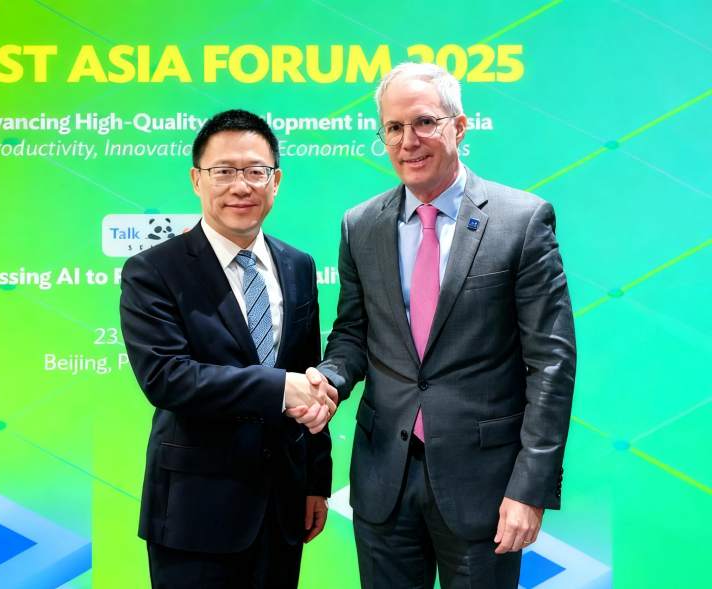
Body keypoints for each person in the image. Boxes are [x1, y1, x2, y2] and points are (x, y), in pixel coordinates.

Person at [310, 63, 577, 588]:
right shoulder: (360, 225)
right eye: (393, 127)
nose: (408, 141)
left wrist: (530, 487)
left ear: (459, 126)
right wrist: (331, 380)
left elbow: (551, 361)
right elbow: (352, 335)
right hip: (383, 480)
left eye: (424, 122)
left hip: (486, 488)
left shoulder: (521, 220)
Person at [120, 109, 336, 589]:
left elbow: (309, 374)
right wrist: (280, 388)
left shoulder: (298, 265)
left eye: (256, 171)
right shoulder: (154, 271)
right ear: (197, 180)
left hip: (282, 506)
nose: (241, 186)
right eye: (223, 172)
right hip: (195, 511)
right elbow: (167, 379)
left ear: (275, 181)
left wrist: (315, 481)